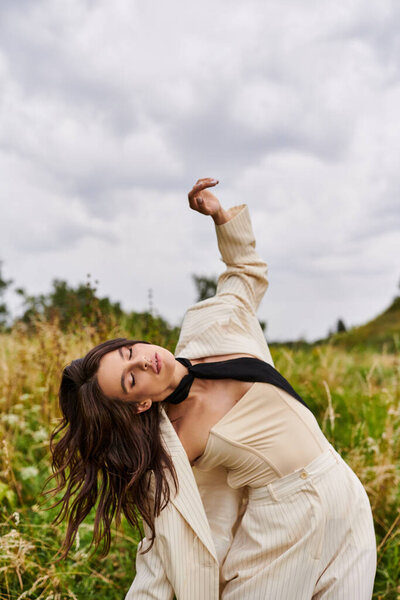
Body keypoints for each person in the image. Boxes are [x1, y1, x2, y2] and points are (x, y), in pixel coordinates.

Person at [51, 178, 377, 599]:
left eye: (130, 350)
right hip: (279, 532)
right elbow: (163, 542)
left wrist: (222, 219)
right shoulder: (173, 444)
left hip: (343, 493)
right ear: (139, 404)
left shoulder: (211, 327)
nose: (143, 360)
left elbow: (244, 275)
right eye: (131, 378)